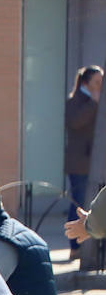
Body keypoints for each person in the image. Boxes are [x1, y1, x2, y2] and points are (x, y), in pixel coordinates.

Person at [65, 64, 102, 257]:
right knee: (78, 200)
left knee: (93, 201)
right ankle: (74, 246)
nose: (100, 85)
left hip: (94, 161)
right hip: (80, 162)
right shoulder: (76, 100)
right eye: (97, 82)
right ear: (87, 82)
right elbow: (74, 122)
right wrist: (93, 104)